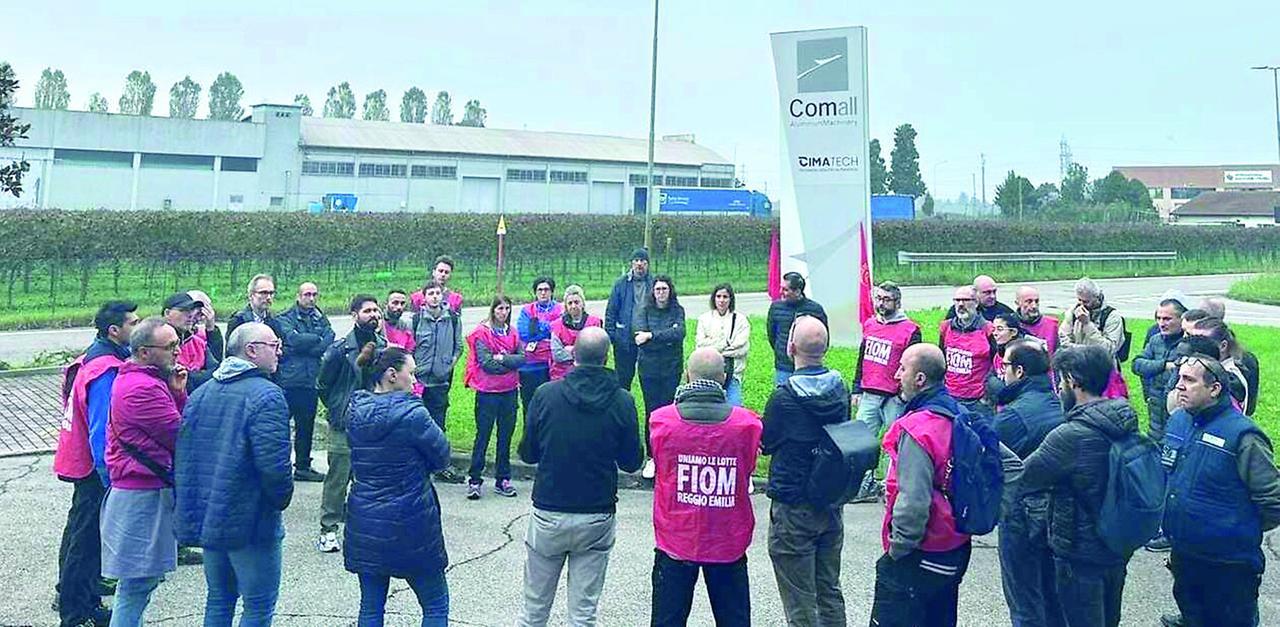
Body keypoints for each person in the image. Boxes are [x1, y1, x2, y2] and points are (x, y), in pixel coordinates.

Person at [516, 327, 643, 626]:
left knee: (533, 610)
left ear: (574, 355)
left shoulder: (546, 395)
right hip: (596, 512)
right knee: (583, 614)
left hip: (550, 508)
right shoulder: (622, 401)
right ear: (607, 357)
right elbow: (631, 462)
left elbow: (528, 453)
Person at [176, 322, 293, 626]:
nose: (279, 352)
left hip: (212, 514)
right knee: (259, 605)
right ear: (251, 350)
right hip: (251, 519)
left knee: (219, 598)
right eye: (274, 345)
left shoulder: (202, 392)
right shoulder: (268, 396)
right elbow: (274, 467)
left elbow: (187, 457)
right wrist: (280, 500)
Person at [1020, 345, 1141, 627]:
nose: (1058, 388)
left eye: (1060, 381)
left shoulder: (1069, 436)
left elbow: (1024, 478)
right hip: (1116, 544)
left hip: (1079, 551)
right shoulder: (1124, 421)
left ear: (1073, 381)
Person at [1160, 354, 1280, 627]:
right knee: (1193, 615)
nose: (1179, 385)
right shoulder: (1179, 421)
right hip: (1185, 554)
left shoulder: (1244, 437)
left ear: (1214, 389)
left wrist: (1234, 527)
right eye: (1179, 378)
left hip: (1228, 565)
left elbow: (1273, 501)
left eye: (1189, 380)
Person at [649, 347, 762, 627]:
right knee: (734, 620)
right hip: (728, 538)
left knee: (667, 620)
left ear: (687, 375)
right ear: (723, 378)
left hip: (676, 537)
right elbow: (747, 468)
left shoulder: (661, 421)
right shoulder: (747, 424)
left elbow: (661, 465)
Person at [870, 343, 978, 627]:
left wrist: (897, 551)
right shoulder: (961, 415)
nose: (896, 375)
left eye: (902, 368)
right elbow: (1010, 466)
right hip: (956, 548)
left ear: (919, 379)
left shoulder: (919, 429)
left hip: (921, 551)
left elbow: (913, 501)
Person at [345, 347, 453, 626]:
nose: (415, 380)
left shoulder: (354, 411)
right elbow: (442, 456)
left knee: (371, 607)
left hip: (366, 519)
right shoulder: (413, 414)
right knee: (435, 604)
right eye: (412, 373)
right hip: (411, 520)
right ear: (392, 375)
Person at [54, 301, 138, 627]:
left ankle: (85, 602)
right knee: (86, 542)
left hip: (81, 461)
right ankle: (75, 615)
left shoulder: (95, 355)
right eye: (133, 323)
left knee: (81, 534)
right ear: (114, 330)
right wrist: (109, 475)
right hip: (94, 467)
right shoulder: (106, 368)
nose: (138, 327)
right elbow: (102, 429)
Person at [761, 316, 849, 627]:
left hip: (793, 503)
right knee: (829, 591)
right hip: (830, 499)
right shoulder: (840, 389)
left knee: (800, 601)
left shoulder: (783, 397)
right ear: (826, 347)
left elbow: (767, 442)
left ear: (790, 348)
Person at [100, 317, 188, 626]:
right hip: (141, 495)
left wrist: (176, 393)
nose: (178, 351)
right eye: (170, 346)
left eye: (178, 343)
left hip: (142, 490)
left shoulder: (145, 380)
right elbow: (181, 436)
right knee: (137, 584)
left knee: (139, 583)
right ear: (144, 352)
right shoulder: (142, 388)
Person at [992, 340, 1066, 627]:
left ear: (1019, 371)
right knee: (1054, 595)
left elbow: (988, 464)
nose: (1002, 372)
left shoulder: (1013, 415)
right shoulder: (1062, 404)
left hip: (1023, 514)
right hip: (1060, 512)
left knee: (1024, 599)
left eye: (1005, 366)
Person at [316, 295, 386, 554]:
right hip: (344, 423)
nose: (373, 315)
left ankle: (365, 527)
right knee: (338, 477)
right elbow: (323, 385)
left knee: (369, 478)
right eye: (367, 311)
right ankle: (328, 529)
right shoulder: (339, 349)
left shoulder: (385, 348)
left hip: (374, 423)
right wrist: (338, 406)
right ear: (354, 315)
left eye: (376, 310)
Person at [851, 281, 920, 501]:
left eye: (886, 299)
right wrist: (856, 388)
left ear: (897, 302)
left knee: (894, 444)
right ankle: (863, 484)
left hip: (894, 397)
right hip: (869, 393)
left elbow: (913, 365)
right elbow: (862, 357)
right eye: (878, 298)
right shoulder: (870, 324)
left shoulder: (910, 329)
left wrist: (903, 395)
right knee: (862, 442)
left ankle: (891, 486)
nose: (881, 303)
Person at [464, 295, 525, 500]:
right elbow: (486, 363)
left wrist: (502, 358)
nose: (503, 312)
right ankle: (474, 479)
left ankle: (503, 478)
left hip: (509, 392)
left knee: (505, 436)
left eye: (507, 308)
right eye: (500, 308)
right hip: (487, 392)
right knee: (483, 436)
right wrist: (509, 364)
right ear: (493, 310)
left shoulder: (513, 332)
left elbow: (521, 358)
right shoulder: (482, 333)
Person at [277, 282, 335, 482]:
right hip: (288, 381)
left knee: (306, 427)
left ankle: (302, 467)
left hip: (310, 380)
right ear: (298, 296)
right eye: (307, 294)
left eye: (314, 294)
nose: (311, 298)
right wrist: (316, 340)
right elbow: (293, 340)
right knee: (280, 427)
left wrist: (308, 343)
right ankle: (279, 466)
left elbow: (329, 338)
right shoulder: (285, 317)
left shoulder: (320, 316)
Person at [412, 280, 466, 484]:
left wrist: (449, 365)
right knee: (416, 425)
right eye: (430, 293)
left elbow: (458, 346)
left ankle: (440, 466)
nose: (434, 296)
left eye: (437, 293)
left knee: (438, 426)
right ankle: (417, 466)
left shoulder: (452, 318)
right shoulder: (416, 320)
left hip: (440, 382)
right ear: (424, 297)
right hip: (418, 382)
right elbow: (410, 347)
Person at [634, 275, 687, 480]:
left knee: (670, 411)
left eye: (664, 289)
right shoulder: (644, 310)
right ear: (653, 292)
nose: (661, 292)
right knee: (652, 412)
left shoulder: (677, 310)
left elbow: (679, 333)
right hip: (649, 369)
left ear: (670, 290)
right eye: (658, 289)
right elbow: (639, 337)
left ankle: (668, 455)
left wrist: (652, 335)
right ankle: (652, 456)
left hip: (671, 369)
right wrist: (664, 336)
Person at [1058, 278, 1129, 400]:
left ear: (1097, 297)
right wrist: (1084, 351)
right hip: (1077, 371)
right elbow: (1063, 340)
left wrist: (1087, 325)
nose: (1081, 305)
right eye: (1079, 300)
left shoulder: (1112, 317)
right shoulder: (1073, 312)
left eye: (1086, 301)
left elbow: (1108, 349)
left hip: (1103, 374)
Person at [1131, 298, 1185, 443]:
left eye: (1167, 319)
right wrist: (1164, 365)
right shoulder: (1155, 340)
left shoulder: (1188, 345)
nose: (1161, 323)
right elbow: (1137, 365)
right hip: (1155, 410)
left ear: (1181, 319)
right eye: (1159, 318)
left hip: (1177, 410)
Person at [938, 286, 995, 418]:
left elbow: (996, 363)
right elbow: (941, 359)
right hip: (950, 397)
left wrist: (986, 395)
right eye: (957, 300)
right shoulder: (946, 327)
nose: (961, 304)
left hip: (977, 401)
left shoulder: (988, 330)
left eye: (966, 300)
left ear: (976, 303)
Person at [604, 248, 655, 391]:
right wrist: (613, 336)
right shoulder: (620, 284)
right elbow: (611, 312)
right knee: (623, 381)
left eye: (643, 261)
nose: (639, 264)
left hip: (648, 341)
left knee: (649, 380)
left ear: (648, 264)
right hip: (624, 342)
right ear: (631, 264)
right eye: (636, 260)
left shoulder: (654, 284)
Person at [694, 283, 750, 408]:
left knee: (734, 408)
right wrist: (725, 343)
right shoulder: (704, 319)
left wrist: (712, 346)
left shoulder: (740, 320)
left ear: (731, 299)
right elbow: (700, 346)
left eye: (725, 297)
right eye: (718, 296)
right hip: (709, 375)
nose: (721, 300)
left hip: (733, 373)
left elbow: (742, 348)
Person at [765, 272, 828, 384]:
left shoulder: (815, 309)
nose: (781, 292)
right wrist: (782, 352)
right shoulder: (776, 308)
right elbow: (772, 336)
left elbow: (823, 338)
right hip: (784, 367)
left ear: (798, 291)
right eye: (781, 288)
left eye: (785, 289)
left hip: (809, 368)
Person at [517, 277, 564, 419]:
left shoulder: (561, 309)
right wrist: (548, 328)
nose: (543, 293)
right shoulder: (527, 310)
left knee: (552, 404)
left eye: (546, 289)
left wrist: (538, 327)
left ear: (552, 292)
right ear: (535, 292)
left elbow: (560, 331)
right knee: (530, 404)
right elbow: (524, 334)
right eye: (540, 290)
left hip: (552, 365)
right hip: (529, 365)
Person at [162, 292, 219, 392]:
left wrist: (191, 376)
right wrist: (201, 375)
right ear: (167, 313)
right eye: (183, 310)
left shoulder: (198, 343)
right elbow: (169, 376)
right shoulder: (157, 343)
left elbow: (218, 372)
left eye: (192, 310)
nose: (190, 315)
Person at [549, 285, 603, 381]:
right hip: (562, 375)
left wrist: (571, 350)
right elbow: (557, 355)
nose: (573, 306)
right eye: (570, 303)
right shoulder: (556, 326)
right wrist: (583, 352)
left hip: (589, 374)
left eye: (576, 302)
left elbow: (597, 352)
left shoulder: (594, 323)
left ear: (583, 303)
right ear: (566, 306)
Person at [226, 274, 284, 343]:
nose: (268, 297)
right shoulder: (238, 320)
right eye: (263, 293)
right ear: (251, 295)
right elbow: (231, 347)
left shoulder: (275, 321)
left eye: (271, 293)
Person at [985, 313, 1025, 403]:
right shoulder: (998, 354)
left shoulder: (1023, 355)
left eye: (1000, 329)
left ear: (1013, 332)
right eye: (993, 329)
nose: (995, 333)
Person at [944, 275, 1014, 322]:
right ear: (975, 292)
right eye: (987, 292)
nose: (992, 296)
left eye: (994, 292)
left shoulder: (1004, 311)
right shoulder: (961, 309)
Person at [1015, 286, 1058, 356]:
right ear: (1017, 303)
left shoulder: (1053, 325)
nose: (1034, 306)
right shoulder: (1009, 325)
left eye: (1036, 301)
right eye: (1029, 302)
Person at [187, 289, 225, 367]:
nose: (200, 318)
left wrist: (211, 328)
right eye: (198, 312)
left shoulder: (207, 333)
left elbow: (216, 360)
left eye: (203, 313)